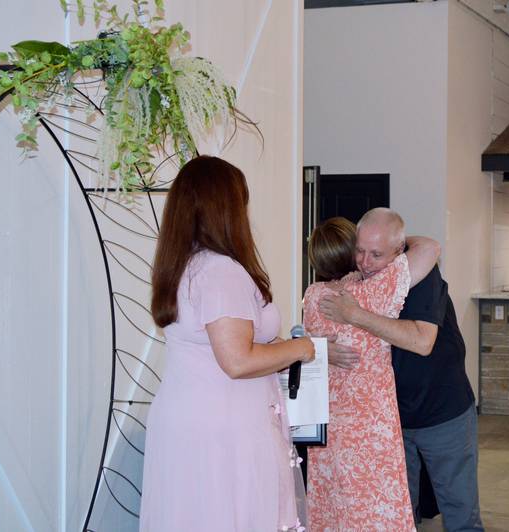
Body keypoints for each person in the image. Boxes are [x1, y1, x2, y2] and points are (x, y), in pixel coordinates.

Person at [139, 156, 315, 532]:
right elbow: (237, 360)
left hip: (193, 420)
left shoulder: (183, 266)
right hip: (223, 429)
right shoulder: (221, 271)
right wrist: (300, 349)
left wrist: (274, 350)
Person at [320, 207, 484, 532]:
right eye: (360, 251)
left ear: (398, 252)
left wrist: (355, 315)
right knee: (399, 513)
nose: (365, 263)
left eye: (376, 254)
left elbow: (421, 341)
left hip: (442, 412)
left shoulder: (421, 276)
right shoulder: (356, 282)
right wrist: (325, 350)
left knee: (460, 513)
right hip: (391, 420)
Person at [303, 215, 440, 531]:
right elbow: (431, 247)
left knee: (334, 505)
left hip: (329, 427)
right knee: (375, 508)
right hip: (371, 429)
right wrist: (397, 243)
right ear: (350, 252)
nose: (366, 260)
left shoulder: (311, 298)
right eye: (361, 250)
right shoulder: (374, 292)